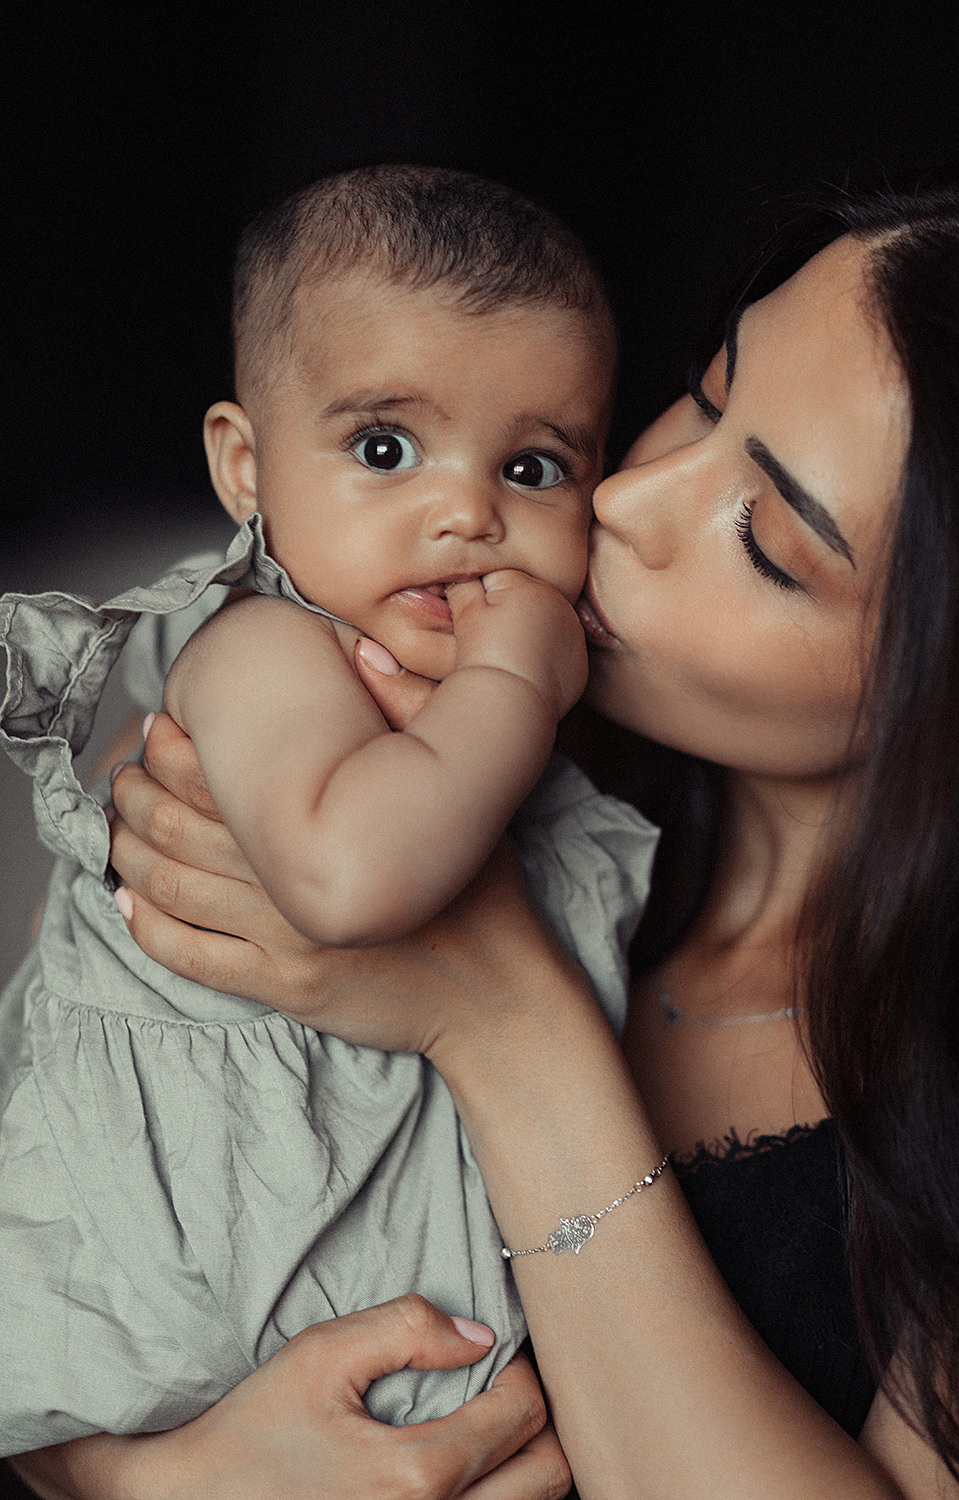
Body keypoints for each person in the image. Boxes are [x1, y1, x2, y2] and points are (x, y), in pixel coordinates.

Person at [12, 168, 959, 1499]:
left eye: (767, 538)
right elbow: (99, 1139)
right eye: (702, 397)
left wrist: (505, 1023)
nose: (620, 504)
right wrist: (147, 1479)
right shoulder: (412, 727)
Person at [0, 164, 659, 1451]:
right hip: (202, 1255)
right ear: (245, 470)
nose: (466, 512)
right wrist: (517, 675)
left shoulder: (469, 709)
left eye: (532, 465)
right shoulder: (261, 654)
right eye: (383, 448)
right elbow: (355, 877)